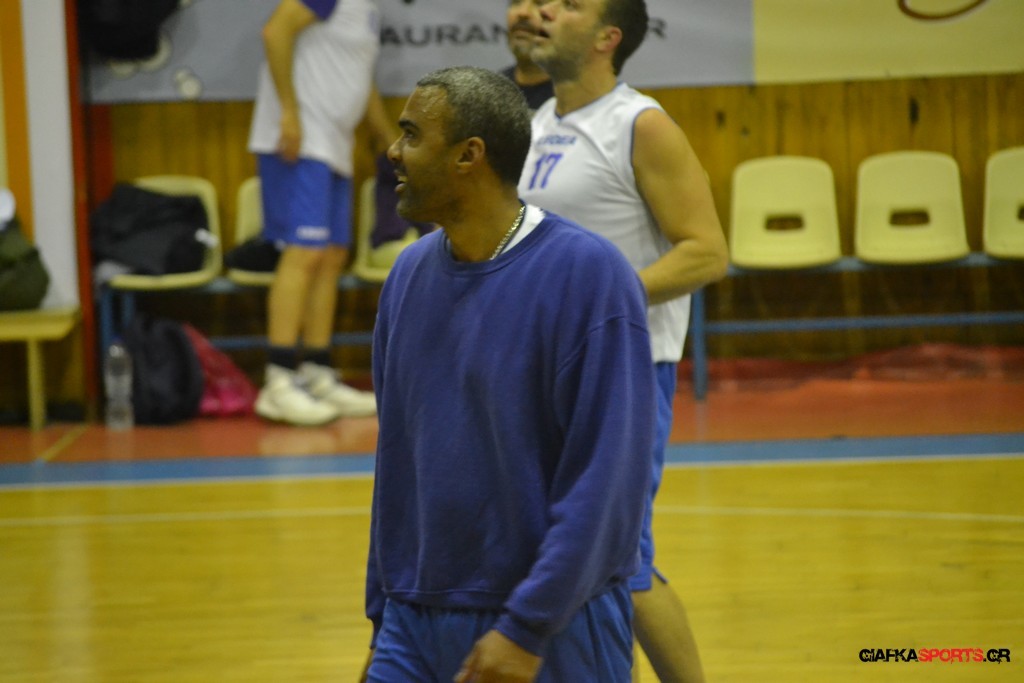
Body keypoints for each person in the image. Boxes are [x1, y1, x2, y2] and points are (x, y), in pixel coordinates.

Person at [363, 66, 656, 682]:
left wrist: (528, 626)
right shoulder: (407, 276)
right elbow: (396, 466)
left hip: (553, 628)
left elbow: (607, 482)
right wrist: (382, 615)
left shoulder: (590, 276)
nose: (393, 151)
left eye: (412, 135)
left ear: (469, 155)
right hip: (412, 623)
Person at [518, 1, 730, 681]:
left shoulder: (641, 124)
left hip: (624, 371)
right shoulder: (540, 124)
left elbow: (707, 253)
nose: (546, 9)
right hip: (546, 370)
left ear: (607, 38)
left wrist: (600, 303)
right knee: (567, 557)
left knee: (621, 562)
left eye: (570, 5)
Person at [248, 0, 394, 425]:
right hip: (301, 139)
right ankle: (278, 381)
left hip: (334, 142)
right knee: (304, 252)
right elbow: (275, 32)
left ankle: (317, 372)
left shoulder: (368, 7)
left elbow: (358, 76)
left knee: (330, 256)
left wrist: (387, 138)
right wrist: (289, 113)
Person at [501, 0, 554, 111]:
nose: (523, 12)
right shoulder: (493, 90)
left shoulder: (577, 99)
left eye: (540, 3)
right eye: (516, 2)